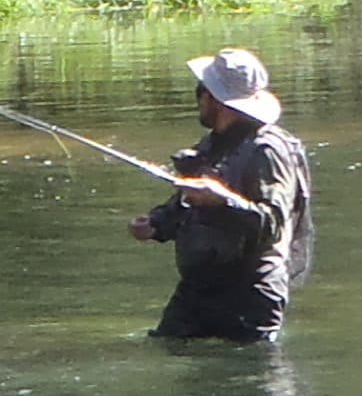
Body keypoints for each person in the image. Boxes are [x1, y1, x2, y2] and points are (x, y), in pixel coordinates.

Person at [127, 45, 314, 342]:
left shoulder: (269, 151)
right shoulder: (212, 145)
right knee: (164, 346)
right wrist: (156, 224)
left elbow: (273, 223)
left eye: (201, 90)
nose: (198, 98)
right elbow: (188, 204)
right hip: (199, 289)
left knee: (247, 368)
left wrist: (222, 200)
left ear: (214, 98)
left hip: (251, 293)